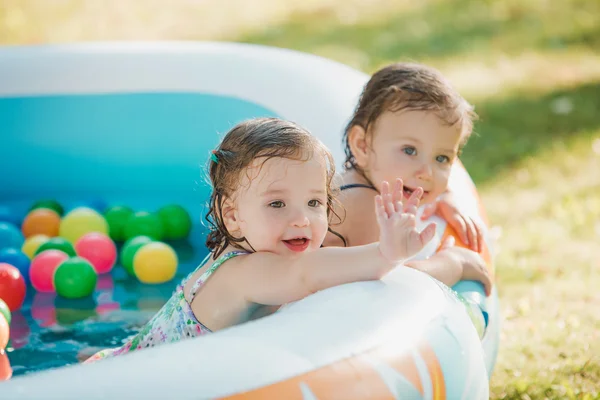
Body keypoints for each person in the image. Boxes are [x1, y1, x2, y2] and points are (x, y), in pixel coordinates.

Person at [85, 117, 436, 362]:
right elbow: (307, 273)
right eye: (277, 203)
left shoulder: (239, 245)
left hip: (124, 360)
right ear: (233, 215)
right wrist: (385, 254)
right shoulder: (247, 271)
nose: (301, 218)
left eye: (314, 202)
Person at [323, 62, 492, 295]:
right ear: (361, 145)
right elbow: (389, 286)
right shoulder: (366, 207)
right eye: (410, 151)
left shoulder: (366, 178)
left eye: (441, 158)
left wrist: (447, 195)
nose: (427, 173)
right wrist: (455, 263)